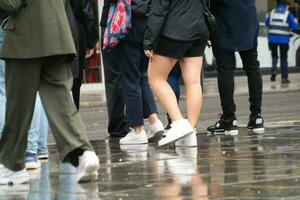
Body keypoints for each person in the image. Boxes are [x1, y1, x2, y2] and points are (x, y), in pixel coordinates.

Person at [0, 0, 99, 185]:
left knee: (18, 105)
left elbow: (11, 3)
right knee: (60, 99)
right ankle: (83, 153)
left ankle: (12, 165)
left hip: (26, 34)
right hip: (58, 33)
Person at [144, 0, 209, 147]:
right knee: (193, 82)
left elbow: (159, 9)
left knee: (156, 77)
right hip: (199, 29)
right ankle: (190, 132)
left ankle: (179, 122)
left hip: (174, 31)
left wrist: (149, 40)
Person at [206, 0, 265, 136]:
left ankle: (229, 119)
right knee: (252, 67)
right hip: (248, 18)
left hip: (224, 19)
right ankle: (256, 117)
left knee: (225, 68)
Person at [116, 0, 165, 145]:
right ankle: (154, 120)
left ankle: (138, 130)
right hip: (147, 25)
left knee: (130, 79)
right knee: (142, 76)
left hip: (128, 24)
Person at [0, 28, 49, 170]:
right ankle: (35, 150)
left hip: (5, 26)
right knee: (34, 87)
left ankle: (6, 152)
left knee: (2, 89)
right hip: (31, 28)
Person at [100, 0, 130, 138]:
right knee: (133, 75)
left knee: (114, 77)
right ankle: (133, 122)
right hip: (131, 20)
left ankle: (118, 125)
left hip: (111, 23)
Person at [70, 0, 99, 110]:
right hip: (76, 30)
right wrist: (91, 42)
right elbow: (88, 14)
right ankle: (74, 114)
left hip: (59, 29)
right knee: (76, 78)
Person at [265, 0, 299, 84]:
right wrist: (296, 22)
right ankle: (284, 78)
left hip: (272, 39)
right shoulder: (288, 14)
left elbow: (266, 23)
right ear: (286, 6)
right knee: (284, 58)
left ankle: (273, 72)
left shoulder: (272, 12)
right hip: (283, 40)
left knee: (274, 56)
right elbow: (295, 27)